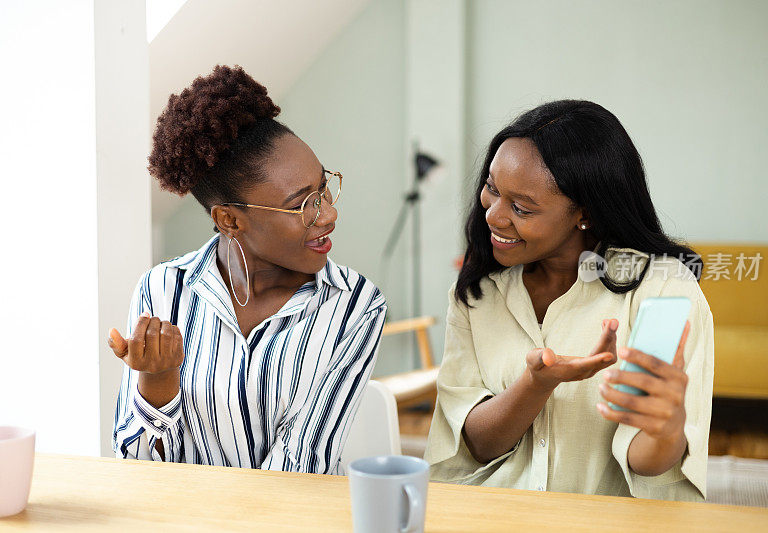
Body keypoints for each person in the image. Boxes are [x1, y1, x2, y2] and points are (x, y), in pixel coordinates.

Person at [424, 100, 713, 501]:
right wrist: (534, 385)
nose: (493, 215)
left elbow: (648, 464)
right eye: (492, 187)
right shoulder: (480, 290)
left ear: (586, 214)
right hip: (494, 511)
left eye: (522, 207)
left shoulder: (661, 288)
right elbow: (478, 445)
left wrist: (665, 427)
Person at [109, 65, 387, 474]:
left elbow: (300, 467)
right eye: (300, 205)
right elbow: (136, 471)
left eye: (323, 188)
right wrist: (157, 384)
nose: (328, 213)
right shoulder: (164, 290)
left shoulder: (354, 307)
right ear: (230, 220)